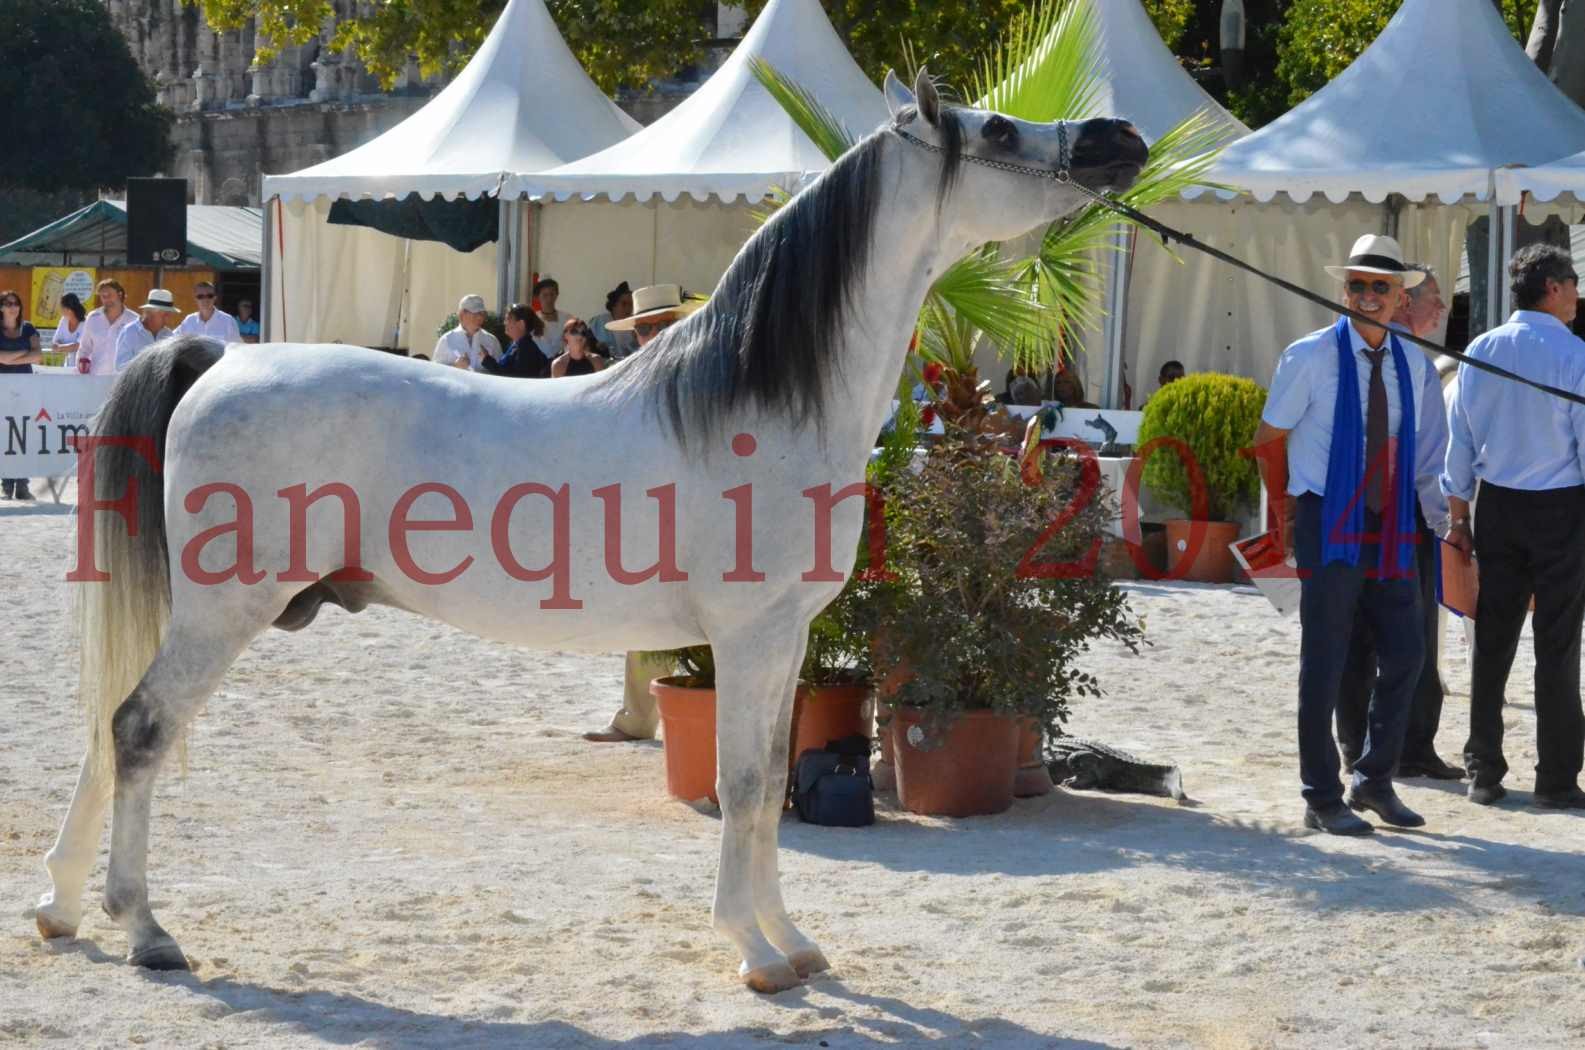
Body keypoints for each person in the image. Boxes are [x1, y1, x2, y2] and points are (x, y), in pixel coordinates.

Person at [1252, 234, 1433, 836]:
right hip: (1327, 515)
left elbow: (1422, 446)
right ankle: (1320, 793)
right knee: (1324, 658)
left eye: (1379, 286)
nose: (1366, 296)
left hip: (1390, 519)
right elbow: (1268, 438)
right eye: (1356, 284)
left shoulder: (1411, 361)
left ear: (1400, 295)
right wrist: (1281, 507)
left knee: (1408, 650)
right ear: (1344, 290)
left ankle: (1374, 779)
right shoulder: (1310, 355)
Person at [1443, 243, 1585, 810]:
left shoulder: (1480, 348)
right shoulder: (1573, 355)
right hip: (1559, 508)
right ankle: (1554, 778)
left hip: (1496, 506)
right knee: (1558, 644)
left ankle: (1483, 769)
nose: (1577, 293)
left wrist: (1459, 519)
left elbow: (1461, 443)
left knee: (1493, 642)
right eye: (1573, 281)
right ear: (1552, 287)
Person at [1335, 264, 1463, 781]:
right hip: (1398, 510)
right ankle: (1406, 745)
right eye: (1435, 299)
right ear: (1406, 303)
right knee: (1408, 637)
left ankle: (1358, 744)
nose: (1442, 310)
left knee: (1362, 635)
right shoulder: (1411, 361)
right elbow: (1430, 458)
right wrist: (1441, 519)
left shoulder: (1401, 358)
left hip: (1368, 508)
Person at [582, 284, 707, 744]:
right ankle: (639, 717)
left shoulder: (699, 373)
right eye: (644, 328)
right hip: (651, 505)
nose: (651, 335)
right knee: (652, 613)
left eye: (660, 325)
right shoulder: (629, 377)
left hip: (694, 504)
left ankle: (653, 719)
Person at [0, 290, 42, 500]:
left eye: (15, 303)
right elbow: (2, 357)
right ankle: (6, 484)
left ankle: (22, 485)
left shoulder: (28, 328)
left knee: (24, 436)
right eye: (7, 303)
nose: (12, 306)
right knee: (5, 436)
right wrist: (23, 352)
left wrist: (9, 358)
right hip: (2, 390)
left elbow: (38, 355)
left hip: (25, 388)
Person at [76, 279, 138, 375]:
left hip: (122, 379)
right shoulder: (93, 318)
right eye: (103, 296)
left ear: (120, 294)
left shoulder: (134, 319)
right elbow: (84, 348)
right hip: (96, 377)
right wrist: (81, 365)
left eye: (109, 295)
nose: (106, 298)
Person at [113, 289, 182, 371]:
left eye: (169, 315)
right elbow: (120, 366)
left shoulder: (169, 335)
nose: (168, 320)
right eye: (165, 315)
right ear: (150, 313)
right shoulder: (129, 332)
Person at [432, 294, 502, 372]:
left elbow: (500, 373)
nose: (480, 317)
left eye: (482, 314)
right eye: (476, 314)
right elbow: (435, 372)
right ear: (462, 315)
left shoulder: (491, 341)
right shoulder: (446, 340)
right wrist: (455, 367)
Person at [481, 303, 550, 379]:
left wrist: (487, 360)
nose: (504, 323)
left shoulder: (526, 349)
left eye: (508, 319)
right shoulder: (518, 345)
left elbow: (514, 379)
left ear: (521, 324)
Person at [177, 280, 242, 344]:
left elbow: (236, 348)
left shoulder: (228, 321)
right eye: (200, 296)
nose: (205, 299)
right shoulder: (189, 321)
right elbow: (172, 338)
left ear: (215, 298)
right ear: (195, 299)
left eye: (209, 296)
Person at [589, 281, 639, 360]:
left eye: (631, 304)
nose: (628, 308)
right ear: (614, 305)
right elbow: (590, 347)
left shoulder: (637, 323)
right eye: (624, 304)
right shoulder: (600, 322)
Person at [532, 277, 566, 361]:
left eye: (552, 294)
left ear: (557, 295)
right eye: (545, 295)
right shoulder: (532, 319)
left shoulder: (567, 318)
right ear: (537, 297)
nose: (549, 299)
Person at [52, 293, 87, 369]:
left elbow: (79, 346)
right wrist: (58, 346)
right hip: (65, 367)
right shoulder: (63, 320)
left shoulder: (86, 323)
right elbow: (56, 342)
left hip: (81, 368)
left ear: (69, 310)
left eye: (61, 307)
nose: (60, 310)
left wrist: (60, 347)